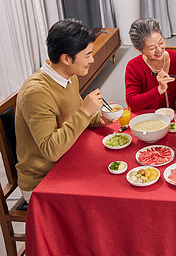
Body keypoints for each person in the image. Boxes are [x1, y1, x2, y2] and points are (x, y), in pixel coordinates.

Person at [15, 19, 114, 202]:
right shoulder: (36, 93)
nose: (91, 60)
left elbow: (72, 114)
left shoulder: (68, 75)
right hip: (43, 181)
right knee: (106, 194)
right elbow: (50, 150)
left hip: (69, 157)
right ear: (66, 59)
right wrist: (85, 112)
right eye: (87, 55)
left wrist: (96, 117)